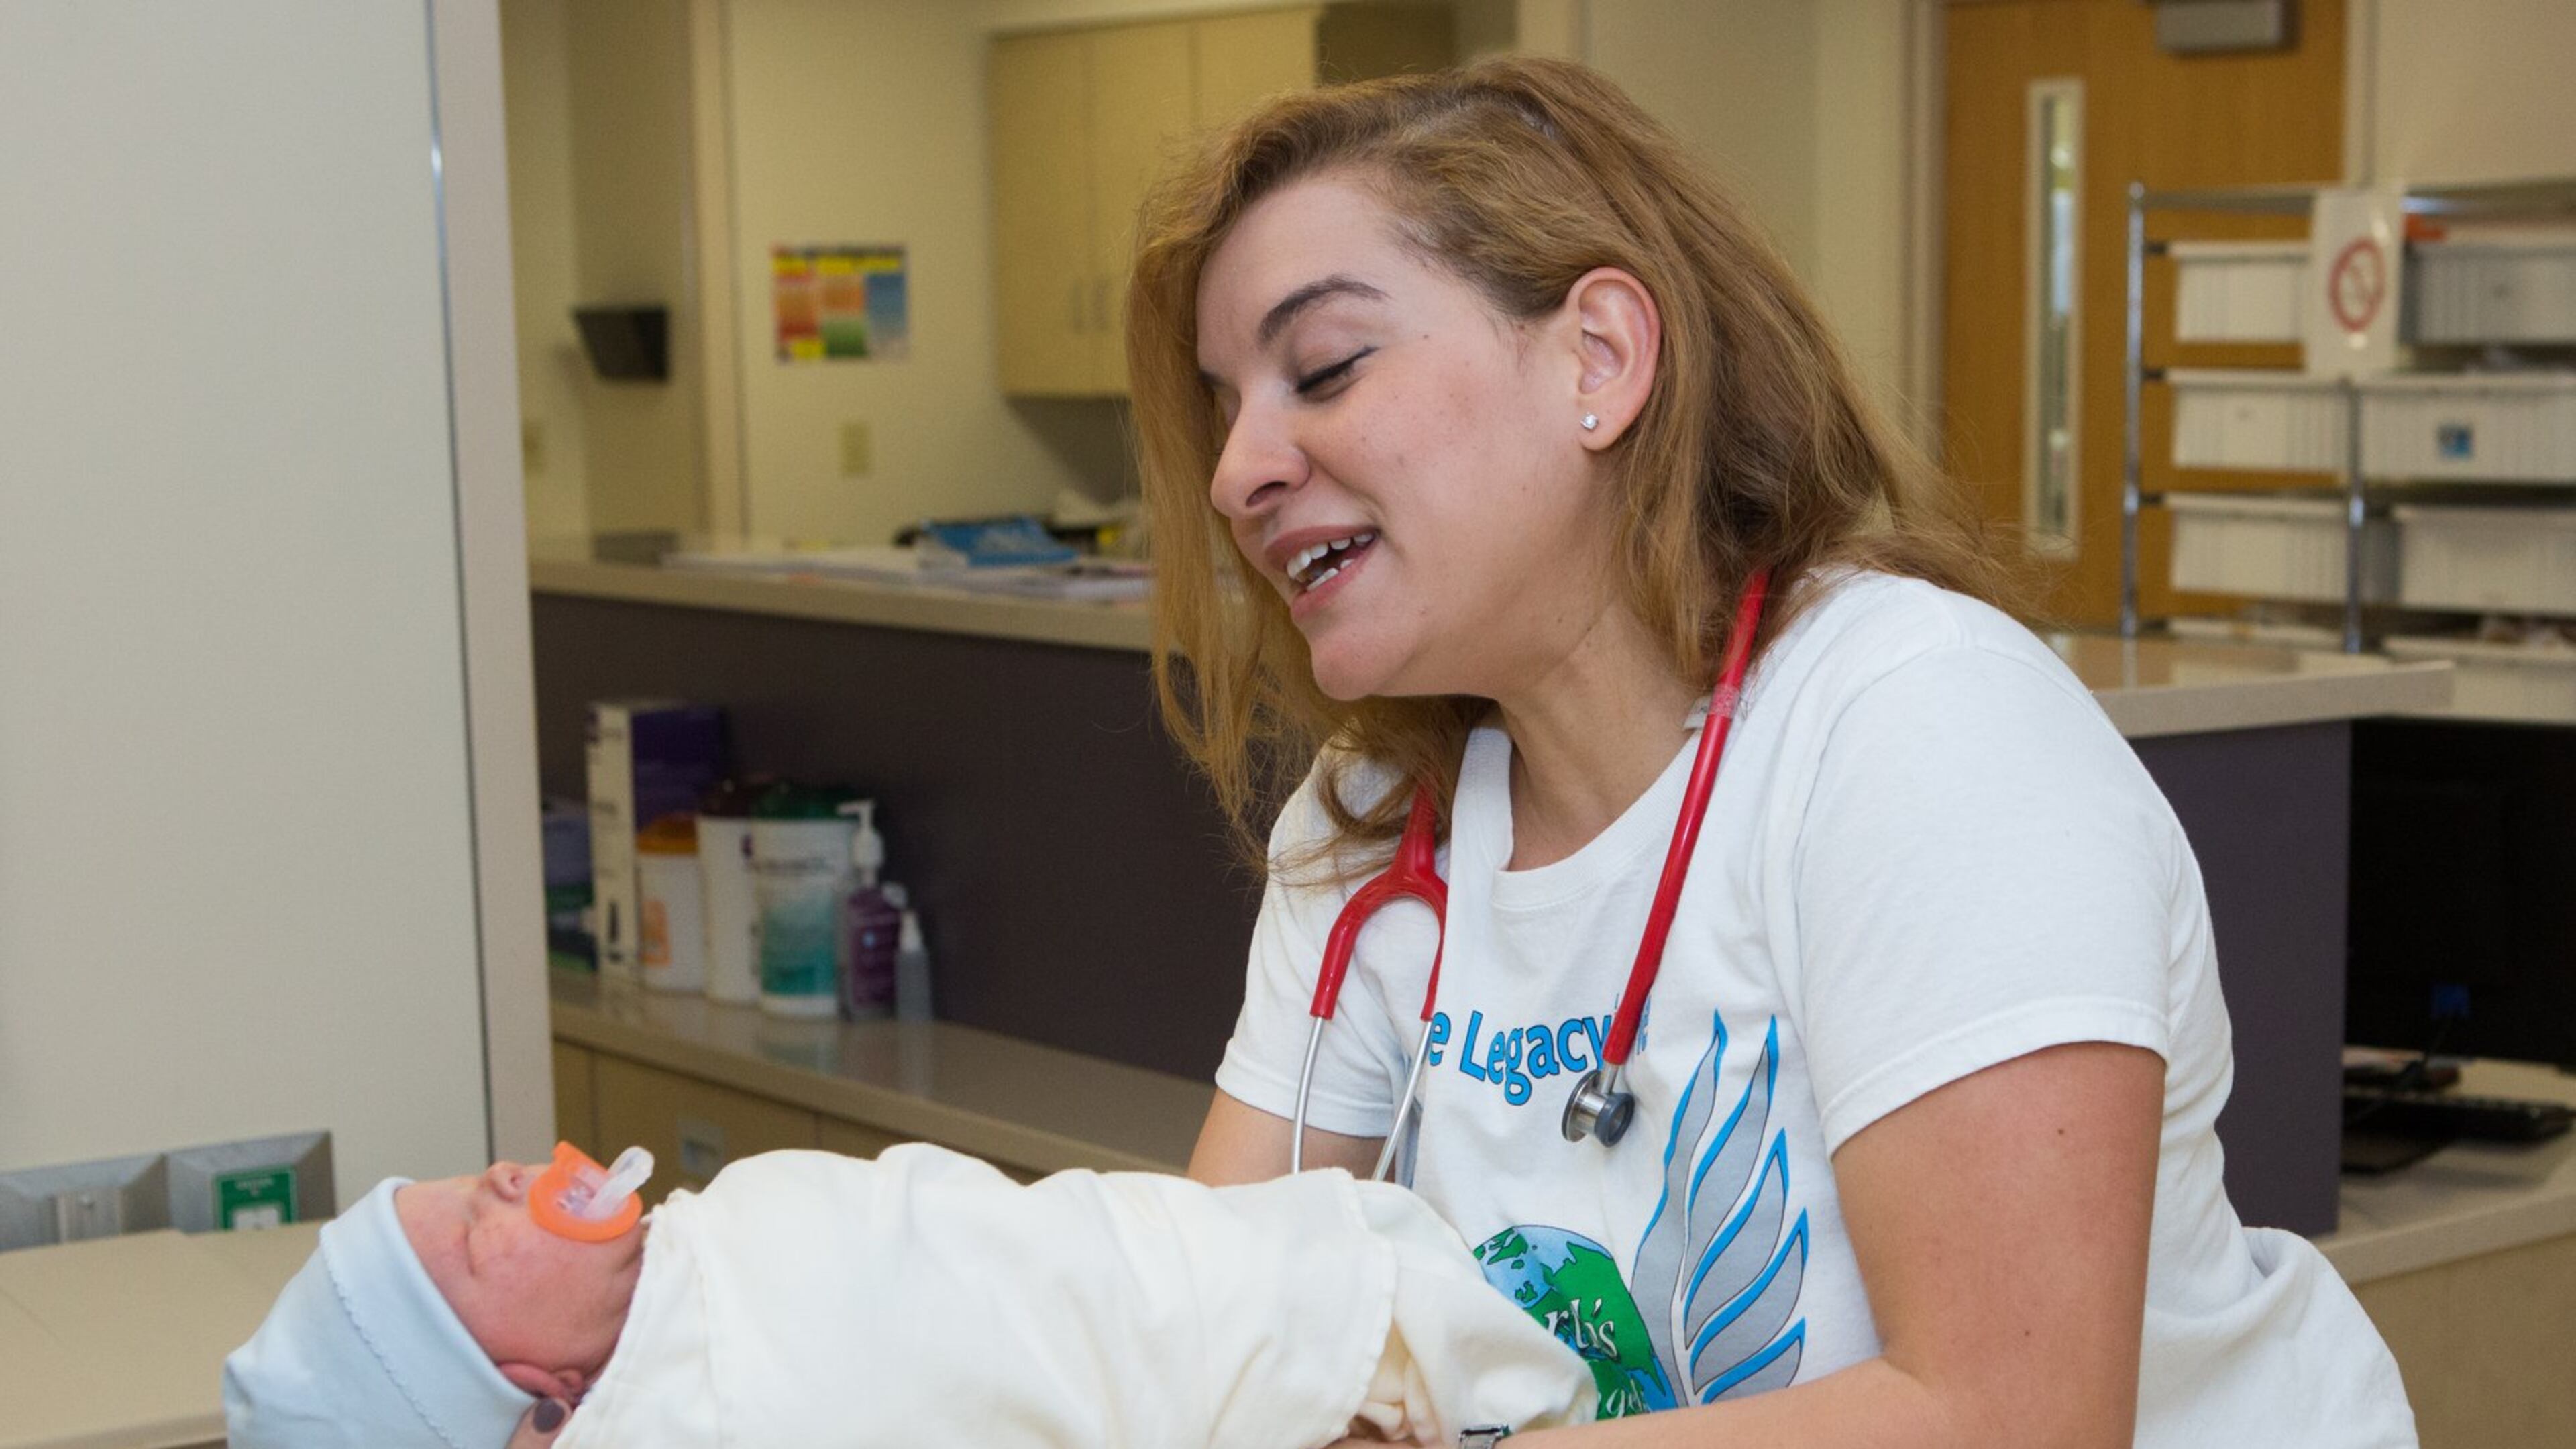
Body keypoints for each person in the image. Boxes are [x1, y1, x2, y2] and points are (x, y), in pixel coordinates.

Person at [1112, 56, 2417, 1449]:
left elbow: (2008, 1417)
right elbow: (1224, 1340)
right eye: (1226, 403)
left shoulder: (1918, 731)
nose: (1237, 470)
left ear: (1598, 360)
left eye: (1321, 368)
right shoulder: (1374, 824)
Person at [227, 1142, 1594, 1448]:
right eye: (472, 1240)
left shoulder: (709, 1249)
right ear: (536, 1400)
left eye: (469, 1178)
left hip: (1316, 1288)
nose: (508, 1178)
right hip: (1336, 1360)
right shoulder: (717, 1407)